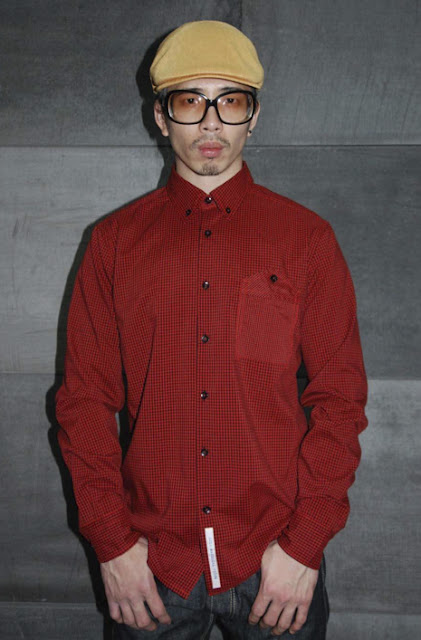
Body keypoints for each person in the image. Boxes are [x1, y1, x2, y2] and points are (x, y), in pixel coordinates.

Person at [55, 20, 369, 639]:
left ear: (254, 116)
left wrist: (305, 546)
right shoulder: (113, 245)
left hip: (275, 561)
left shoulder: (306, 240)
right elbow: (85, 401)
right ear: (160, 116)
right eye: (189, 101)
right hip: (152, 567)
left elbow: (340, 399)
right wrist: (111, 544)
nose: (210, 123)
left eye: (230, 102)